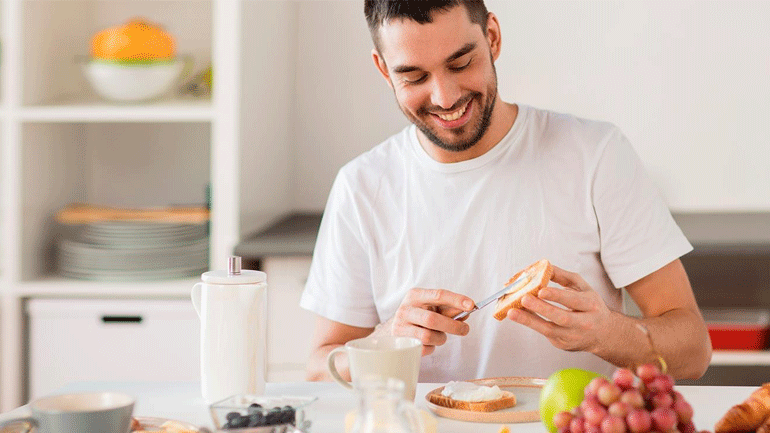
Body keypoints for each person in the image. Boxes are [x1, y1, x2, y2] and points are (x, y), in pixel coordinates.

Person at [300, 0, 711, 382]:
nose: (445, 97)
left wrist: (606, 333)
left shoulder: (595, 155)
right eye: (414, 77)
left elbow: (694, 350)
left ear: (492, 37)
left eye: (461, 63)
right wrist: (386, 341)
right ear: (384, 70)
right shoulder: (362, 187)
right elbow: (319, 369)